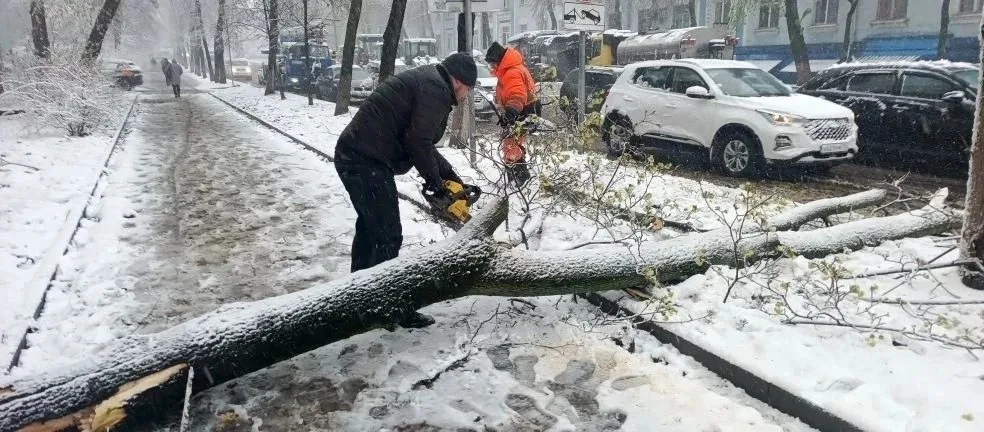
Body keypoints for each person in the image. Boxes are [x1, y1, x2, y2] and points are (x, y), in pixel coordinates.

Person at [333, 53, 477, 327]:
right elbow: (418, 142)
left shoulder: (430, 81)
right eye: (468, 88)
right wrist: (436, 184)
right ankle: (389, 309)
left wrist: (449, 176)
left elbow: (422, 143)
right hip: (365, 160)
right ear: (458, 81)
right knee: (388, 235)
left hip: (357, 155)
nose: (466, 94)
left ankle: (358, 299)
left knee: (370, 228)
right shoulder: (435, 89)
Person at [485, 41, 539, 187]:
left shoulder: (512, 72)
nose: (491, 67)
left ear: (498, 61)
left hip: (521, 112)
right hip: (526, 110)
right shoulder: (514, 68)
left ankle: (518, 179)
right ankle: (518, 176)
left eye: (492, 63)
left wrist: (509, 114)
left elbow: (517, 96)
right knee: (514, 144)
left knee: (511, 145)